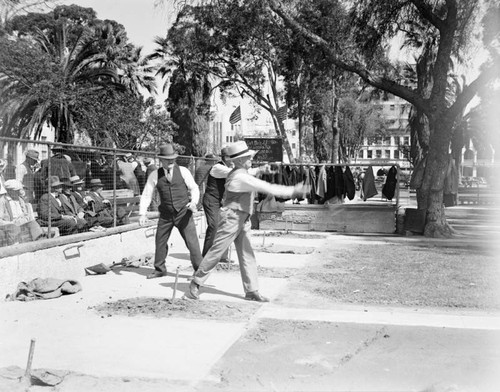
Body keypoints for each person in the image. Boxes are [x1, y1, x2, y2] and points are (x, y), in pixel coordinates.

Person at [186, 141, 309, 302]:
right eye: (247, 157)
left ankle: (251, 290)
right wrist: (293, 191)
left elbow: (252, 173)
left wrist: (262, 169)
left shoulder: (240, 172)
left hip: (242, 218)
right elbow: (266, 187)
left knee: (247, 254)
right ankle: (196, 282)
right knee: (216, 252)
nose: (251, 159)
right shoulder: (240, 176)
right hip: (232, 218)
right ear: (237, 161)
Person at [139, 144, 202, 279]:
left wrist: (194, 202)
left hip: (184, 213)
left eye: (173, 158)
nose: (171, 161)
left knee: (192, 243)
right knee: (160, 241)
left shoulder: (184, 171)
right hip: (166, 215)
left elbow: (194, 188)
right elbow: (146, 194)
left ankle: (199, 272)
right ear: (161, 160)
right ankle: (160, 269)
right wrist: (142, 213)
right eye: (167, 159)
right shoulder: (155, 174)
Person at [200, 147, 269, 261]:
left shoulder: (230, 167)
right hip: (211, 200)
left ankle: (221, 256)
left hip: (221, 201)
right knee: (214, 226)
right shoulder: (218, 167)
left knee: (225, 227)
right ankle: (206, 257)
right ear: (227, 158)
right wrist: (260, 169)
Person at [0, 179, 44, 245]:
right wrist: (12, 223)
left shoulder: (20, 199)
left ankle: (40, 243)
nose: (19, 192)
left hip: (21, 222)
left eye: (19, 190)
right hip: (9, 224)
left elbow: (26, 213)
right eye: (17, 191)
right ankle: (16, 247)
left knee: (33, 223)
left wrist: (25, 219)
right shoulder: (2, 201)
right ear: (9, 191)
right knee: (14, 228)